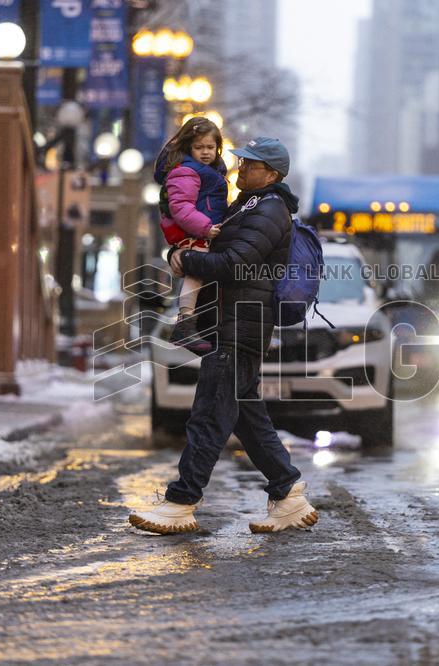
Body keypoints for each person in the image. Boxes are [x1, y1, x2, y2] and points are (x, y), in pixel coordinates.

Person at [130, 137, 318, 535]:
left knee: (210, 414)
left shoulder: (270, 209)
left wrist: (186, 259)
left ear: (272, 174)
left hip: (240, 326)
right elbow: (210, 244)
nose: (240, 168)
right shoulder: (248, 205)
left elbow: (236, 262)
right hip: (230, 322)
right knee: (247, 418)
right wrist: (182, 252)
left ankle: (181, 502)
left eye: (250, 164)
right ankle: (287, 495)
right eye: (241, 162)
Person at [153, 117, 229, 353]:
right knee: (195, 276)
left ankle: (189, 324)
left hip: (199, 232)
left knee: (199, 276)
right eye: (199, 147)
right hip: (194, 233)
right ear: (188, 148)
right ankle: (184, 324)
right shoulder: (186, 171)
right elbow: (181, 207)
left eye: (210, 147)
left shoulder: (207, 171)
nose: (205, 152)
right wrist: (205, 227)